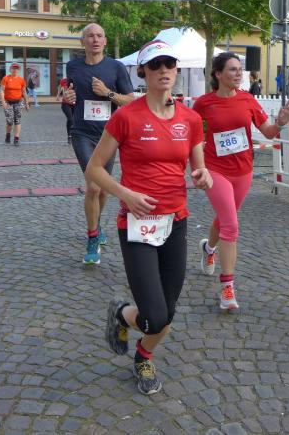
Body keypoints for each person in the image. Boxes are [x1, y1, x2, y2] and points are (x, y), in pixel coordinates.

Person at [87, 40, 212, 395]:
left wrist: (203, 175)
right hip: (137, 225)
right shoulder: (126, 117)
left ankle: (143, 353)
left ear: (176, 69)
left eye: (169, 64)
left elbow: (199, 167)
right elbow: (95, 169)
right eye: (155, 65)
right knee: (154, 315)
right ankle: (124, 314)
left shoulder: (190, 119)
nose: (163, 70)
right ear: (142, 71)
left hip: (175, 221)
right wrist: (125, 194)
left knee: (166, 314)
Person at [193, 52, 289, 311]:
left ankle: (209, 248)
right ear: (218, 74)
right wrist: (197, 167)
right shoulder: (203, 103)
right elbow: (192, 137)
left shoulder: (248, 99)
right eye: (232, 69)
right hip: (215, 170)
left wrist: (280, 123)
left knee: (224, 219)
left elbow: (269, 133)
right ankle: (227, 288)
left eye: (240, 69)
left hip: (243, 171)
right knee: (231, 224)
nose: (238, 73)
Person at [62, 23, 135, 264]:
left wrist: (108, 93)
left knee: (103, 189)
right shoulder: (73, 66)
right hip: (82, 132)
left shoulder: (116, 67)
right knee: (94, 187)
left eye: (99, 36)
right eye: (90, 36)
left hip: (108, 135)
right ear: (82, 42)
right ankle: (92, 236)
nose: (95, 39)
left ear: (105, 41)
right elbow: (67, 96)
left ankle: (96, 223)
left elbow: (130, 101)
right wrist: (67, 97)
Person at [0, 63, 30, 145]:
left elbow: (24, 92)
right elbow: (2, 91)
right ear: (10, 69)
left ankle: (16, 139)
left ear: (18, 70)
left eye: (16, 69)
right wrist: (3, 102)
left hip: (18, 102)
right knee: (10, 121)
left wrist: (27, 103)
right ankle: (8, 134)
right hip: (8, 102)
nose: (15, 70)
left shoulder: (21, 80)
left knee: (17, 120)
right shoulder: (6, 78)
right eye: (13, 68)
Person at [56, 76, 75, 143]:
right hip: (66, 103)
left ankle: (75, 135)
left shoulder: (78, 80)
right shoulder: (64, 80)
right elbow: (60, 86)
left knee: (74, 120)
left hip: (76, 104)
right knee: (70, 119)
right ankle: (69, 136)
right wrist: (58, 95)